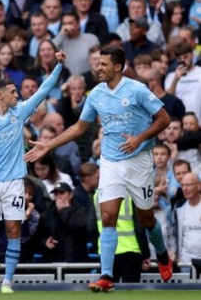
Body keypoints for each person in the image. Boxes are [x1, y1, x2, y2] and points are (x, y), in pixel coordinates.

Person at [25, 46, 173, 293]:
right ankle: (106, 275)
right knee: (107, 218)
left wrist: (139, 138)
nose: (98, 68)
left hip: (139, 161)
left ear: (118, 66)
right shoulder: (95, 94)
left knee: (147, 220)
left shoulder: (136, 89)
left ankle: (162, 254)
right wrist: (48, 145)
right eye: (97, 63)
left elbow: (164, 119)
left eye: (104, 64)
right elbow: (80, 127)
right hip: (111, 161)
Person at [0, 51, 65, 293]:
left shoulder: (19, 113)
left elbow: (43, 90)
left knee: (13, 230)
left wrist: (59, 65)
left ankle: (8, 280)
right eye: (13, 92)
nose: (17, 95)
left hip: (14, 183)